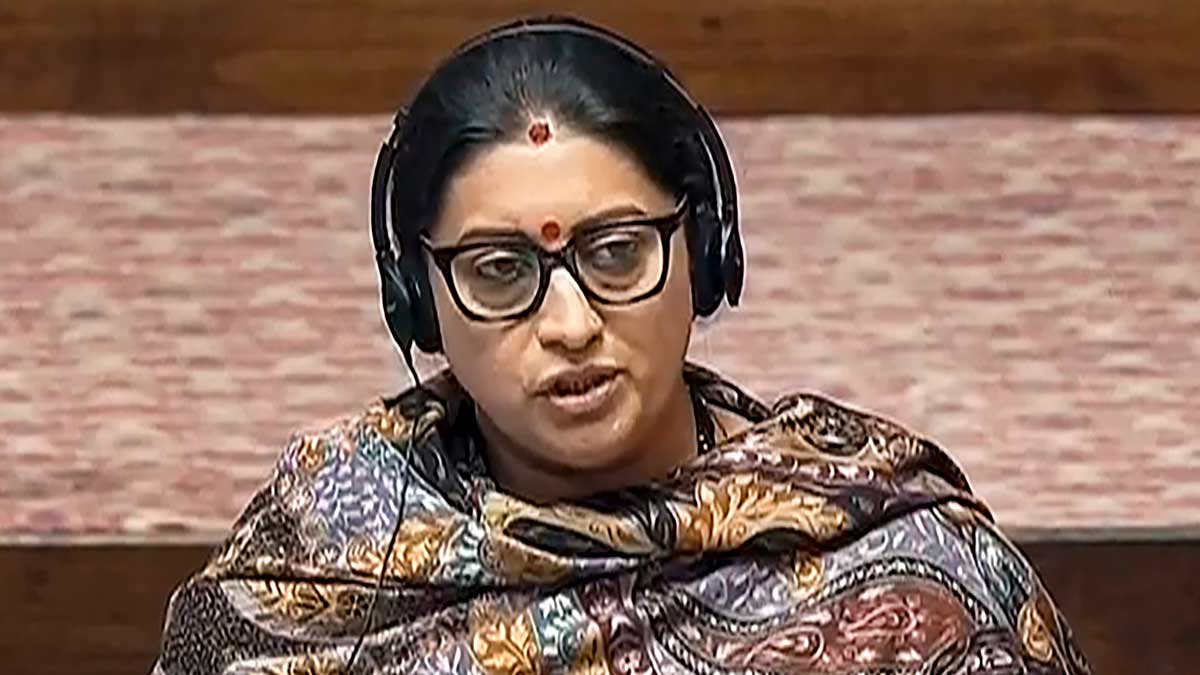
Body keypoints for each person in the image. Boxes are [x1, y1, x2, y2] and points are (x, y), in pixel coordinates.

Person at [153, 16, 1091, 675]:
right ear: (420, 303)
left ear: (705, 253)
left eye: (616, 252)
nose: (570, 325)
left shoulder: (906, 561)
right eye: (498, 271)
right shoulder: (323, 551)